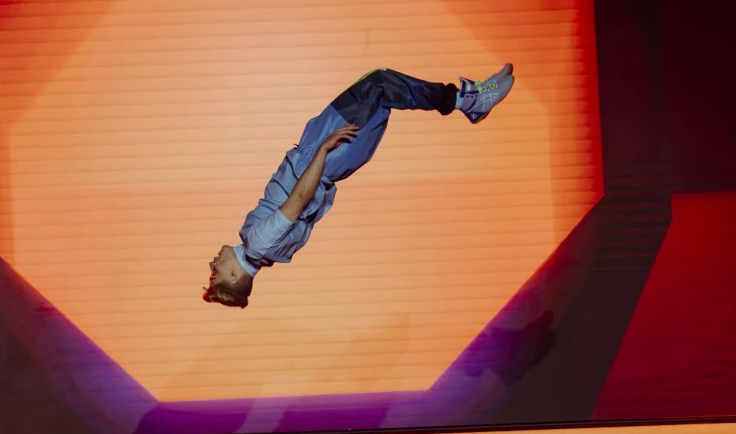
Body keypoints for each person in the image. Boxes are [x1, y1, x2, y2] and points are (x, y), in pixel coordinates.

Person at [203, 65, 516, 307]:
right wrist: (323, 149)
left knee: (383, 89)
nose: (212, 264)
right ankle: (468, 100)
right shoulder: (258, 244)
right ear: (235, 276)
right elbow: (299, 200)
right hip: (322, 157)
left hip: (321, 158)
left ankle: (468, 99)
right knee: (380, 84)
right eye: (216, 273)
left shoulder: (267, 252)